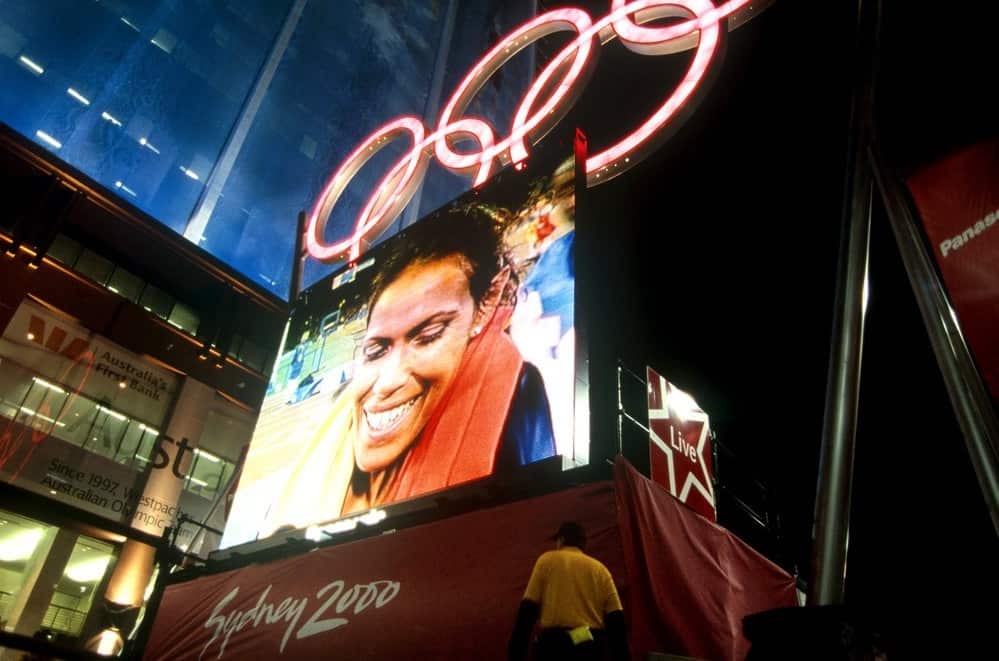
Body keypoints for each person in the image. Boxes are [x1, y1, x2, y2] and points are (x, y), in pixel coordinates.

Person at [255, 206, 557, 534]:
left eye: (427, 336)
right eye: (376, 350)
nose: (388, 381)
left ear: (484, 306)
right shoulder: (332, 429)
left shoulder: (515, 395)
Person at [509, 521, 630, 661]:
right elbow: (616, 622)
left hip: (554, 648)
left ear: (561, 540)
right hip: (591, 649)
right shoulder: (601, 570)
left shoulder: (546, 561)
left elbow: (527, 611)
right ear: (583, 544)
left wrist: (516, 654)